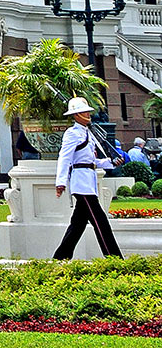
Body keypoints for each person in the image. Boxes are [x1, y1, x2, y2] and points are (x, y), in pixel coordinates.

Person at [53, 95, 122, 260]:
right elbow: (65, 158)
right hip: (81, 184)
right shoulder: (73, 133)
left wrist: (111, 163)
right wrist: (60, 182)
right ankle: (114, 258)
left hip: (88, 181)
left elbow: (91, 161)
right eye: (84, 112)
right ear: (76, 115)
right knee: (100, 222)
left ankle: (60, 258)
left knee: (77, 225)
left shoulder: (88, 133)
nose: (88, 114)